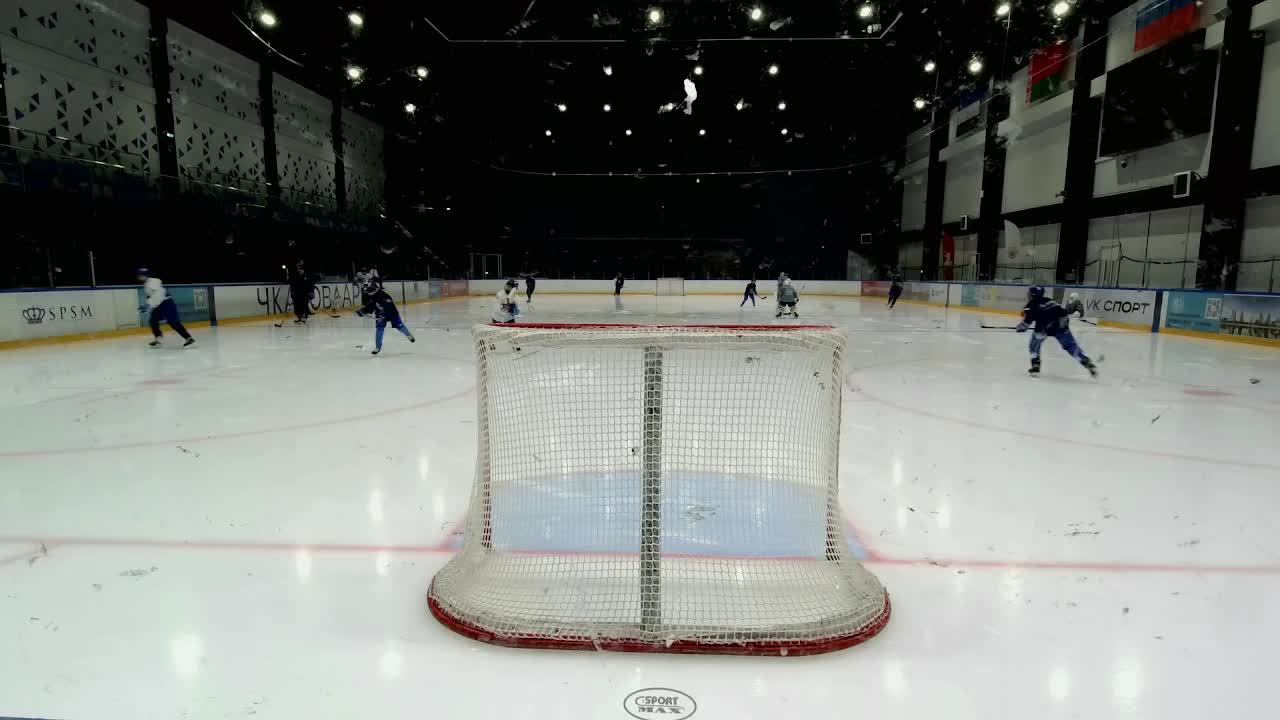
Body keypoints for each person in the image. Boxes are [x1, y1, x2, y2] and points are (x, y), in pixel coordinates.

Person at [1018, 286, 1097, 378]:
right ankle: (1085, 361)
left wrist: (1019, 328)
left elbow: (1025, 325)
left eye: (1029, 294)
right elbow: (1064, 313)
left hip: (1043, 328)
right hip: (1061, 325)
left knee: (1034, 344)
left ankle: (1035, 366)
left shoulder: (1031, 306)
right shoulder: (1050, 301)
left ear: (1032, 295)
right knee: (1071, 346)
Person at [355, 278, 415, 355]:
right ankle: (378, 347)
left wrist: (384, 313)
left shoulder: (384, 296)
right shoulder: (370, 296)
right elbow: (370, 308)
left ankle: (409, 335)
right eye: (367, 292)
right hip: (380, 314)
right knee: (379, 329)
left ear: (374, 290)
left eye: (369, 292)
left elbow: (389, 306)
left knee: (400, 326)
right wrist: (363, 311)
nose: (368, 293)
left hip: (392, 313)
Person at [138, 268, 195, 348]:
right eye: (140, 275)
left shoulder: (154, 281)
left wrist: (148, 305)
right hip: (159, 305)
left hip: (167, 303)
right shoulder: (146, 285)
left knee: (173, 322)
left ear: (147, 275)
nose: (141, 277)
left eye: (143, 275)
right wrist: (147, 306)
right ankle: (158, 339)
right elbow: (151, 297)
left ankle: (189, 339)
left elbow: (159, 294)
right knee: (153, 320)